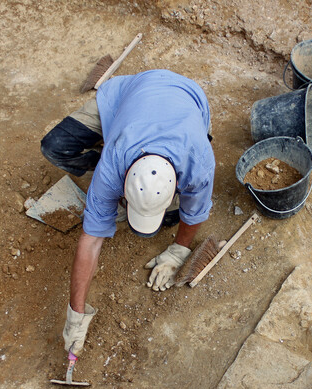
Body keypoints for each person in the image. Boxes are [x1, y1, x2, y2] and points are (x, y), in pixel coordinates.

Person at [40, 69, 214, 357]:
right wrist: (76, 315)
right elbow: (91, 239)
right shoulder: (112, 164)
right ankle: (106, 168)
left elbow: (194, 213)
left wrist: (178, 250)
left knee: (171, 220)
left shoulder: (199, 163)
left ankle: (147, 206)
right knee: (54, 147)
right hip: (126, 95)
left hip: (187, 96)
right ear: (124, 183)